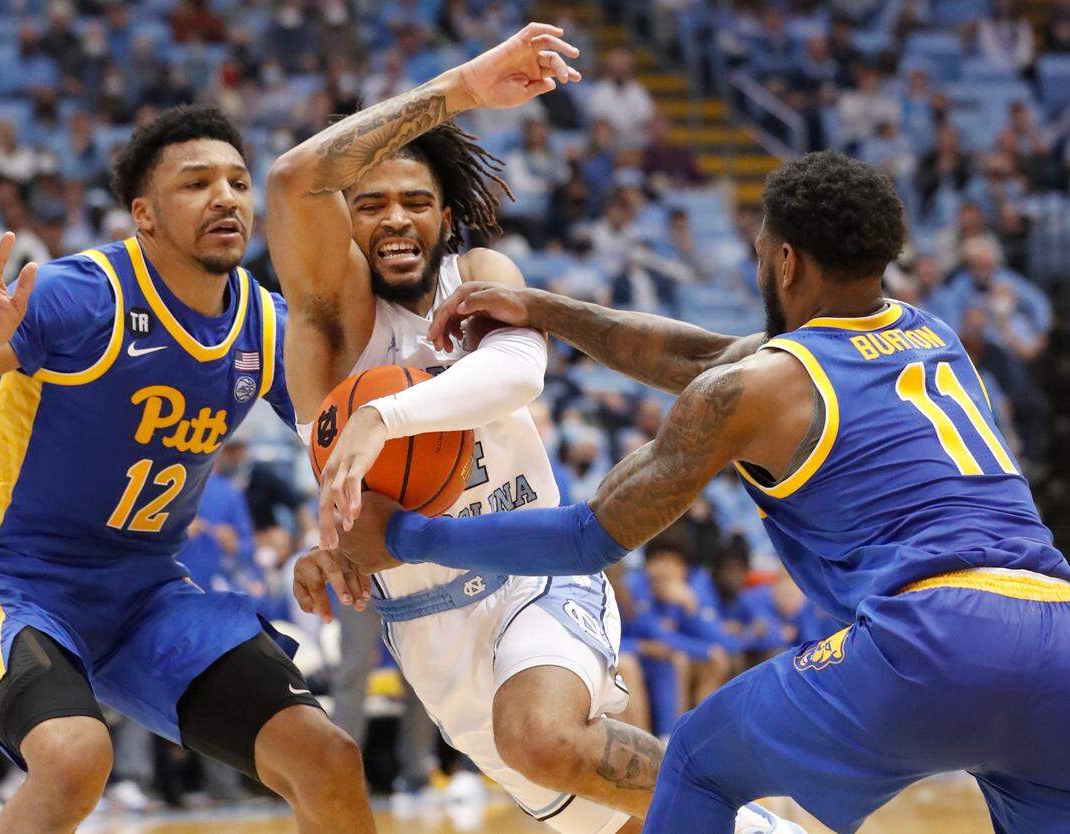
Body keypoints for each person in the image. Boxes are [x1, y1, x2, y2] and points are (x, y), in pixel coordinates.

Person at [334, 151, 1070, 834]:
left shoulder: (762, 387)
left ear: (785, 261)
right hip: (1054, 633)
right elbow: (702, 355)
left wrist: (405, 536)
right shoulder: (930, 334)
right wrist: (546, 310)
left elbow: (586, 537)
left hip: (935, 637)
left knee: (694, 762)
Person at [266, 22, 800, 834]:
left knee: (542, 736)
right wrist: (332, 545)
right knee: (607, 814)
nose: (396, 220)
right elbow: (293, 178)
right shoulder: (328, 326)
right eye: (370, 206)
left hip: (535, 575)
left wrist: (385, 414)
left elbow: (518, 373)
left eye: (416, 201)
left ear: (448, 215)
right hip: (428, 627)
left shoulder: (480, 277)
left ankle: (761, 818)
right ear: (345, 228)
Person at [0, 105, 374, 834]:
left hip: (146, 592)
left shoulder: (263, 324)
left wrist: (344, 540)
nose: (226, 197)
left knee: (326, 757)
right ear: (144, 215)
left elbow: (340, 441)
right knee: (75, 759)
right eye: (196, 183)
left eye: (237, 181)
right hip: (15, 576)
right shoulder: (82, 295)